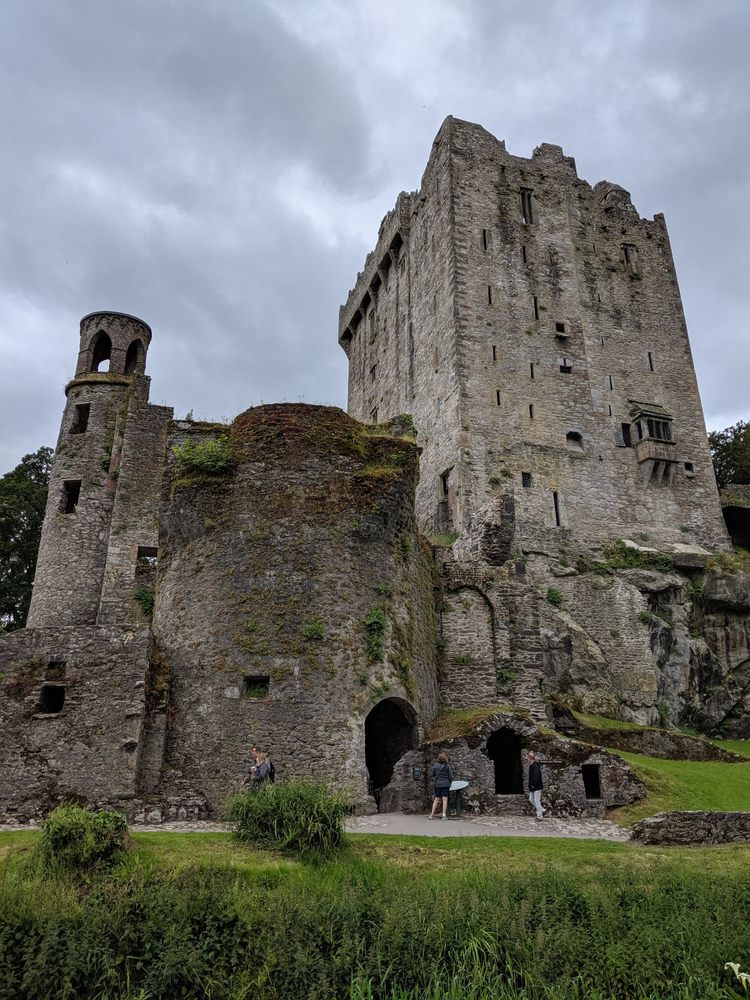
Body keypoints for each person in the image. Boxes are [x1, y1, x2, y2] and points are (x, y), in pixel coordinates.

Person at [429, 752, 453, 820]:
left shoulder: (435, 765)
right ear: (445, 758)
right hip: (446, 784)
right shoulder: (447, 766)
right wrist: (450, 783)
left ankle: (431, 815)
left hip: (438, 784)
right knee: (445, 800)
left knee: (436, 799)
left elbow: (432, 774)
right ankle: (444, 815)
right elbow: (450, 776)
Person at [527, 750, 545, 821]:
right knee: (531, 799)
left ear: (530, 758)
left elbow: (536, 776)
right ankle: (542, 809)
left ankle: (540, 816)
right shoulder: (531, 765)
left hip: (536, 786)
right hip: (532, 787)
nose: (526, 758)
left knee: (536, 800)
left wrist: (533, 784)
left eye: (527, 757)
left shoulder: (535, 765)